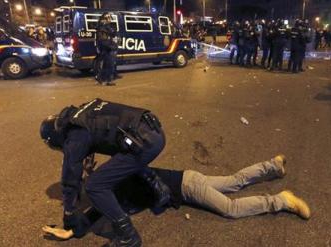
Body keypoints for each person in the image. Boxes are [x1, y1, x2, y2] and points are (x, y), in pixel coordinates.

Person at [42, 155, 311, 241]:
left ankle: (281, 200)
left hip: (187, 188)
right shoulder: (113, 179)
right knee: (234, 181)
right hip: (187, 178)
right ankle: (272, 165)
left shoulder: (116, 180)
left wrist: (75, 228)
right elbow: (98, 210)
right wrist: (72, 231)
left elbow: (100, 208)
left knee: (231, 208)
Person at [40, 98, 170, 247]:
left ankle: (128, 237)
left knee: (94, 185)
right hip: (152, 131)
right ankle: (160, 189)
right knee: (118, 158)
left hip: (145, 144)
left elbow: (70, 182)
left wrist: (70, 221)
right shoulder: (82, 114)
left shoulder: (74, 139)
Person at [95, 13, 119, 86]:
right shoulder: (102, 28)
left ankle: (102, 79)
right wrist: (112, 47)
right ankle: (107, 80)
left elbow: (113, 34)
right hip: (106, 49)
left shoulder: (106, 27)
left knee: (106, 65)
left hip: (107, 48)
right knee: (109, 65)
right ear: (105, 19)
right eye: (109, 18)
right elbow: (104, 40)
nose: (110, 20)